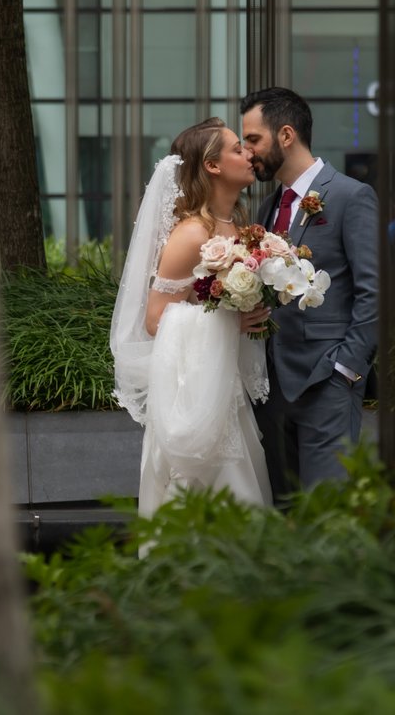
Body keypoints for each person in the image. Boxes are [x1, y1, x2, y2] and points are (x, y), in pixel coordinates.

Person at [110, 118, 272, 517]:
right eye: (237, 148)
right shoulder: (192, 234)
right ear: (212, 165)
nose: (248, 154)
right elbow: (154, 319)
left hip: (226, 387)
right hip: (194, 394)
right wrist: (226, 323)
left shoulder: (241, 227)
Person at [240, 87, 378, 504]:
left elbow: (375, 293)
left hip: (327, 386)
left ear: (285, 135)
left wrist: (346, 370)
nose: (248, 153)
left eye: (253, 139)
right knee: (284, 513)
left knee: (326, 514)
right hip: (272, 392)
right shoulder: (268, 208)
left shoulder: (352, 197)